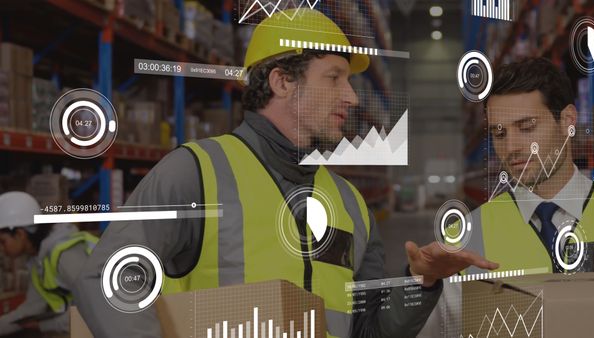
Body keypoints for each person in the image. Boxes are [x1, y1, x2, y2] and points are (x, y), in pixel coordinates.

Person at [73, 8, 497, 338]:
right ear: (281, 82)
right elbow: (106, 280)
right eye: (334, 78)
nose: (350, 97)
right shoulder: (197, 174)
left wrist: (419, 283)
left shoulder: (351, 204)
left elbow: (368, 328)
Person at [419, 57, 594, 337]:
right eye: (499, 133)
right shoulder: (463, 239)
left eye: (527, 127)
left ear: (568, 121)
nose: (511, 147)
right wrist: (422, 285)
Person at [0, 191, 97, 336]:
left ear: (20, 234)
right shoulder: (38, 262)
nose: (1, 249)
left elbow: (95, 307)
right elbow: (30, 309)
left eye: (2, 241)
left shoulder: (65, 255)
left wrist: (45, 326)